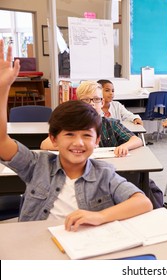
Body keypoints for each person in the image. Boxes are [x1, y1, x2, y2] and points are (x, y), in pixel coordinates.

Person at [0, 39, 153, 230]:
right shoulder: (37, 166)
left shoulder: (104, 174)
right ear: (54, 139)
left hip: (83, 248)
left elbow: (143, 202)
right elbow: (2, 140)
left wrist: (100, 216)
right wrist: (3, 89)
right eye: (70, 134)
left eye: (86, 136)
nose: (78, 142)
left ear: (97, 140)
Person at [41, 81, 143, 157]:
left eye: (96, 99)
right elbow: (45, 144)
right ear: (79, 103)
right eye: (86, 100)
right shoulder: (71, 124)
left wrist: (125, 146)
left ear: (102, 102)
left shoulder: (110, 124)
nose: (91, 103)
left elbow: (137, 140)